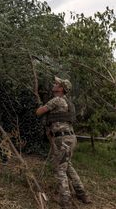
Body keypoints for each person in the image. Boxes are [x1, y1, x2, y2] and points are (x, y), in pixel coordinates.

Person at [36, 77, 91, 208]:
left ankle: (65, 201)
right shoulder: (68, 103)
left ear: (61, 88)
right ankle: (82, 194)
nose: (54, 85)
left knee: (60, 169)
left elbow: (38, 112)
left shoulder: (57, 100)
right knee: (68, 166)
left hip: (62, 140)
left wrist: (39, 104)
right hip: (70, 138)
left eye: (56, 84)